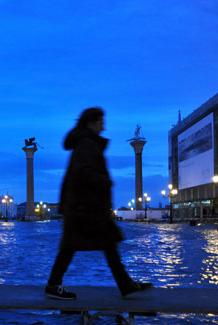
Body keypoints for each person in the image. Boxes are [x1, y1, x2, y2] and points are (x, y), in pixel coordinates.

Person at [45, 107, 152, 300]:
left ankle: (125, 284)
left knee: (104, 244)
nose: (104, 125)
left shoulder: (86, 142)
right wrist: (105, 181)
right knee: (76, 246)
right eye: (101, 121)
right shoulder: (87, 144)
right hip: (84, 207)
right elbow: (83, 173)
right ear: (91, 123)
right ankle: (53, 285)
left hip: (84, 205)